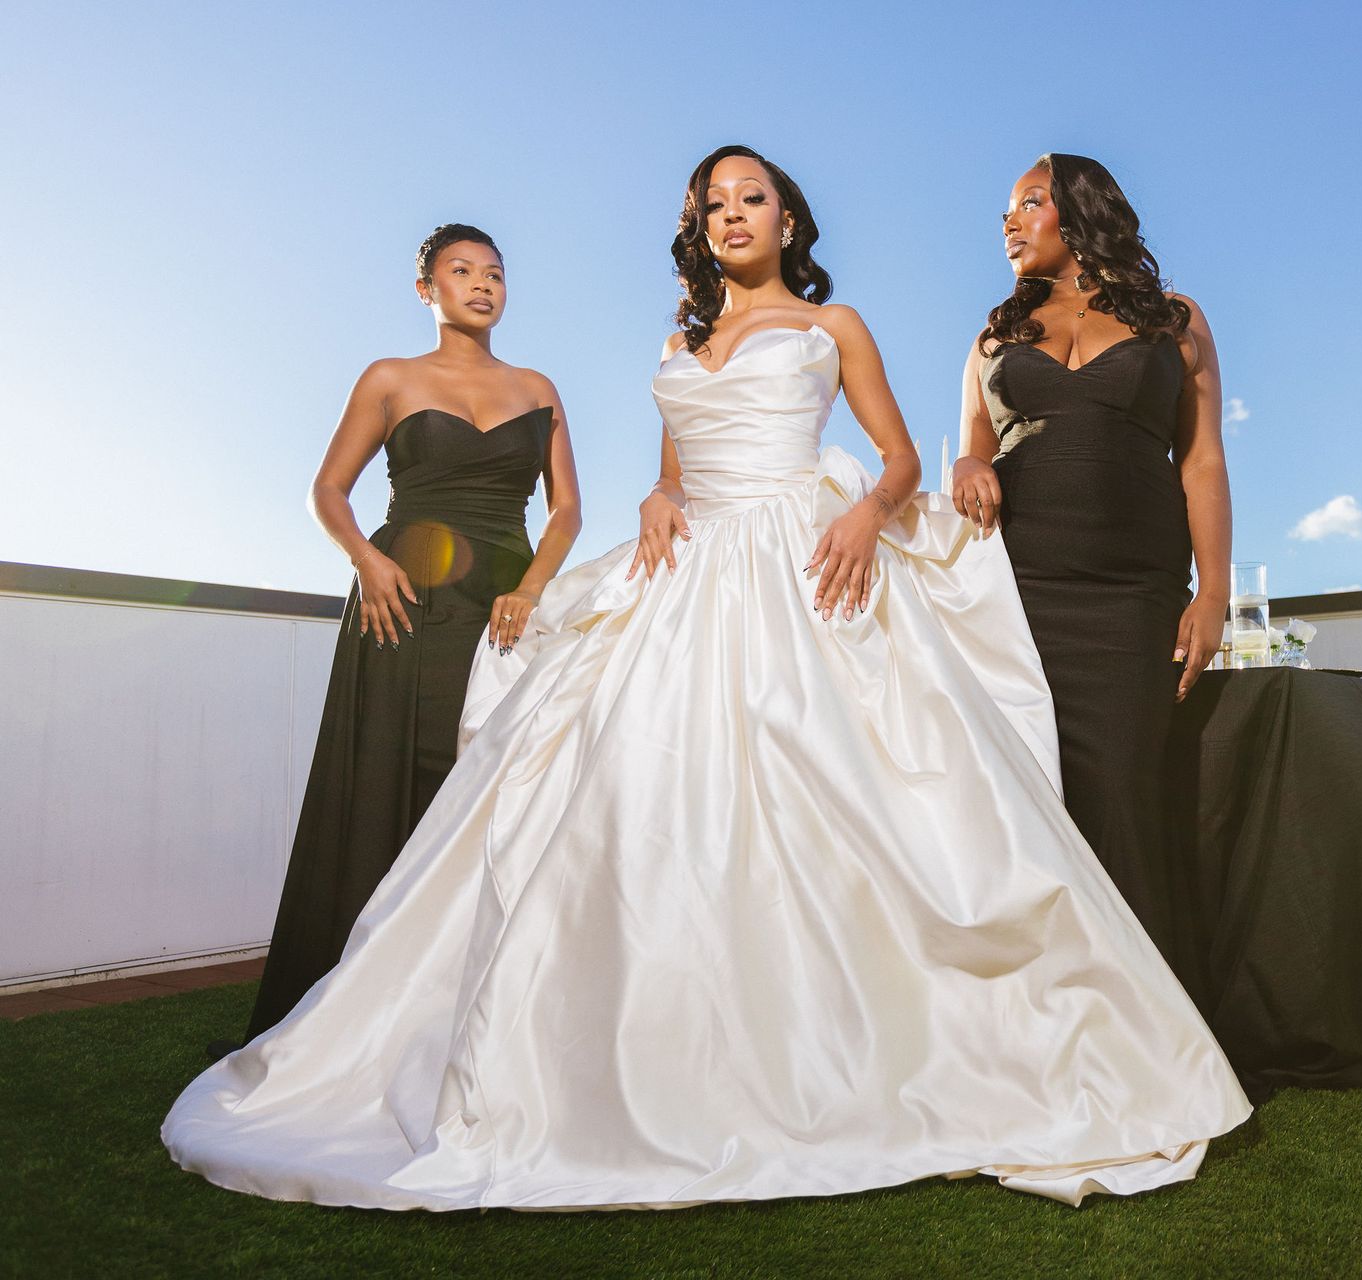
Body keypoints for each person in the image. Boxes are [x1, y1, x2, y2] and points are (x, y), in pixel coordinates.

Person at [162, 147, 1250, 1211]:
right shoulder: (683, 338)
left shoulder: (836, 327)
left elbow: (904, 457)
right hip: (691, 577)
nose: (732, 214)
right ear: (702, 229)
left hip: (807, 560)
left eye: (752, 197)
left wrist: (869, 513)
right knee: (647, 808)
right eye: (714, 203)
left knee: (844, 794)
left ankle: (876, 1048)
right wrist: (655, 499)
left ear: (788, 219)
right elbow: (674, 472)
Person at [229, 224, 580, 1049]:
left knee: (497, 786)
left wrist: (530, 589)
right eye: (461, 272)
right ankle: (361, 1001)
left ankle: (485, 997)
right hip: (404, 595)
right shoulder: (390, 377)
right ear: (428, 290)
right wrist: (364, 562)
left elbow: (565, 511)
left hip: (507, 604)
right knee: (393, 777)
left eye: (495, 273)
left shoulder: (538, 387)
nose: (482, 285)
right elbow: (328, 487)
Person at [952, 154, 1231, 952]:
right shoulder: (993, 335)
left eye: (1028, 203)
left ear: (1080, 212)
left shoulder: (1174, 319)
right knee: (1020, 798)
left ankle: (1144, 1025)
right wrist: (970, 463)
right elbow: (970, 448)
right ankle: (1031, 1018)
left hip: (1131, 592)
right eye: (1007, 208)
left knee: (1122, 794)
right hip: (1014, 587)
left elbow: (1203, 462)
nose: (1009, 221)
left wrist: (1211, 595)